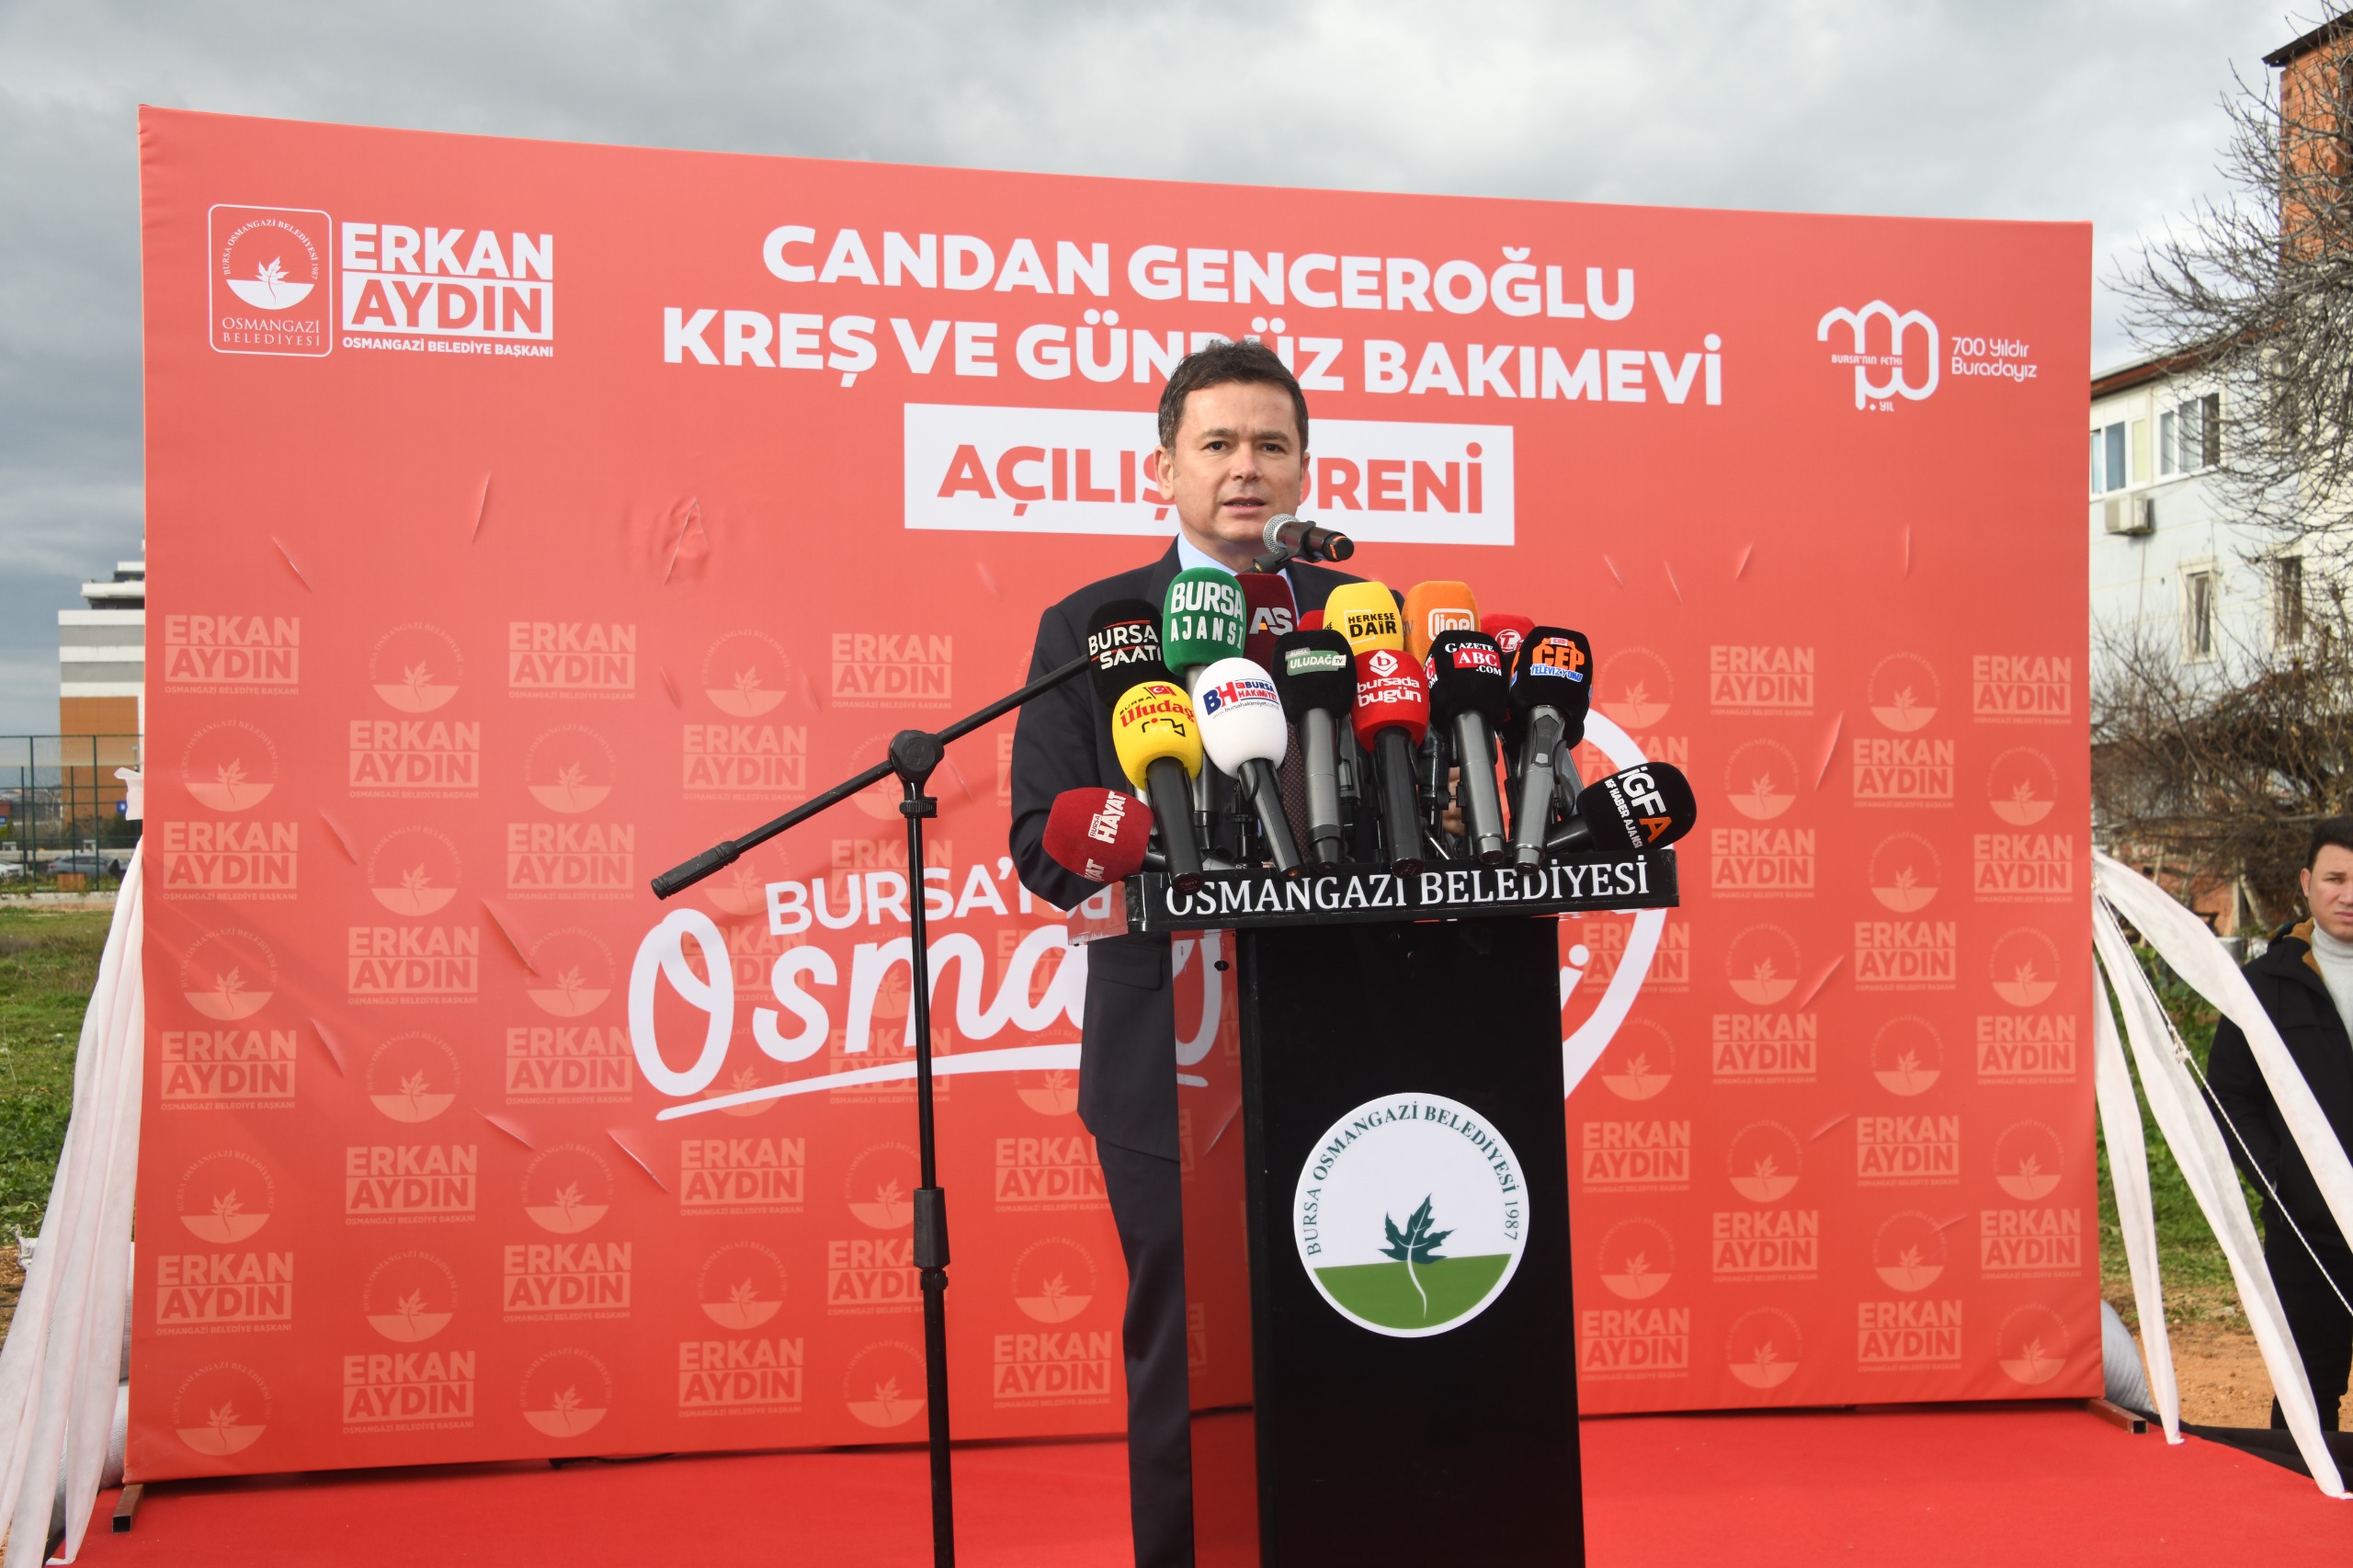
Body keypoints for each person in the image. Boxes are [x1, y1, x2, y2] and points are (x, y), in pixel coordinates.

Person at [1006, 340, 1359, 1567]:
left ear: (1304, 468)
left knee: (1354, 1335)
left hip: (1352, 1037)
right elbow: (1041, 841)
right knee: (1188, 1354)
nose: (1245, 468)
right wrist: (1161, 842)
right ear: (1164, 469)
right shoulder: (1089, 628)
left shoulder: (1355, 621)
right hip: (1166, 1051)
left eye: (1270, 444)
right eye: (1218, 444)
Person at [2210, 817, 2353, 1429]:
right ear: (2306, 882)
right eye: (2335, 879)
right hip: (2309, 1232)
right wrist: (2280, 1181)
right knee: (2308, 1392)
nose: (2348, 895)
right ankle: (2301, 1488)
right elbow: (2231, 1096)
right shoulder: (2265, 986)